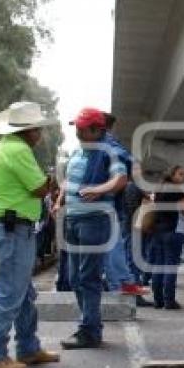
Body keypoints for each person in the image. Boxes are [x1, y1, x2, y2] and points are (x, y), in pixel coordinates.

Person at [0, 101, 60, 368]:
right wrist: (50, 180)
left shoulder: (7, 147)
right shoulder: (18, 150)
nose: (41, 135)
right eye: (39, 130)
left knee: (23, 293)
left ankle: (28, 347)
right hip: (13, 230)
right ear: (31, 130)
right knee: (9, 293)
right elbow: (39, 188)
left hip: (13, 229)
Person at [56, 107, 128, 349]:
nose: (76, 132)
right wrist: (59, 201)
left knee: (88, 277)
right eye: (76, 127)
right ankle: (88, 326)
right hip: (73, 219)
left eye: (81, 128)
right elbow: (68, 181)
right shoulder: (80, 150)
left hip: (94, 220)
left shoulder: (111, 150)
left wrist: (98, 190)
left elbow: (120, 180)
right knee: (75, 277)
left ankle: (90, 331)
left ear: (97, 130)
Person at [101, 112, 144, 298]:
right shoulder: (111, 145)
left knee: (113, 245)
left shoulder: (105, 144)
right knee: (116, 245)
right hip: (111, 207)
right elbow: (134, 165)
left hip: (104, 205)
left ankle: (120, 283)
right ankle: (121, 283)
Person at [149, 165, 184, 309]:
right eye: (180, 174)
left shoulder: (159, 190)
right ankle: (169, 301)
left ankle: (158, 300)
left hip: (158, 231)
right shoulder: (175, 191)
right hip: (172, 231)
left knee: (158, 265)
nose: (183, 177)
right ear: (172, 175)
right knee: (170, 266)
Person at [122, 162, 153, 306]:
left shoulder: (131, 187)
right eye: (136, 170)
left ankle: (134, 294)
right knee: (133, 264)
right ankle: (134, 297)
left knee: (133, 263)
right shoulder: (132, 188)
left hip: (131, 229)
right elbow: (133, 210)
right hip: (133, 230)